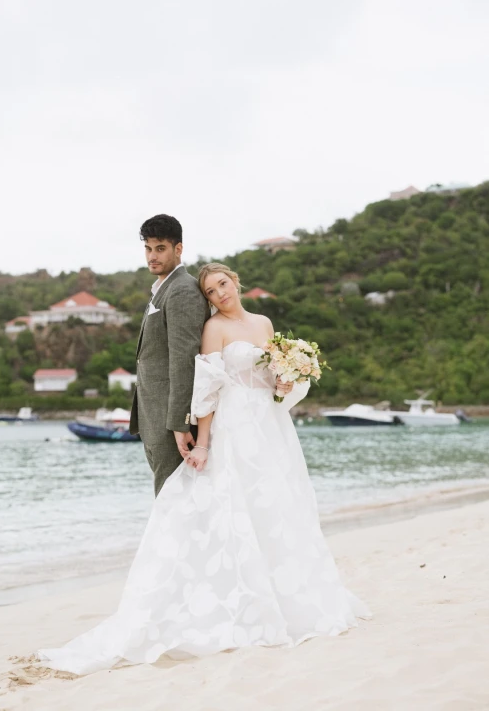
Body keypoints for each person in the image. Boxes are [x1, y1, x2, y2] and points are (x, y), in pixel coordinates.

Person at [36, 263, 370, 675]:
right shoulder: (213, 329)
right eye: (211, 292)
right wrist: (204, 442)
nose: (219, 295)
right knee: (231, 507)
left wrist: (287, 383)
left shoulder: (264, 322)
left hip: (270, 425)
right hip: (234, 424)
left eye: (222, 285)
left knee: (277, 507)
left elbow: (273, 379)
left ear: (236, 282)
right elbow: (208, 387)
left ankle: (289, 598)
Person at [129, 214, 210, 496]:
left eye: (160, 248)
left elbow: (184, 360)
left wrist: (180, 424)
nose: (152, 256)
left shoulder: (182, 290)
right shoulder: (162, 288)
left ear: (178, 249)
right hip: (155, 419)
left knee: (173, 504)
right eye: (148, 249)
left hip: (170, 426)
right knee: (172, 504)